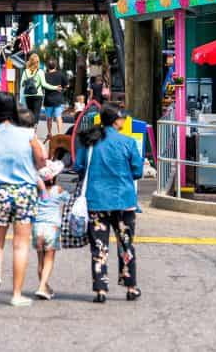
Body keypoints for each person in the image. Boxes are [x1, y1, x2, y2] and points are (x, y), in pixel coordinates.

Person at [0, 91, 48, 307]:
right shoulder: (28, 135)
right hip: (25, 191)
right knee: (20, 245)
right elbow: (42, 160)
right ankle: (16, 294)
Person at [72, 104, 144, 303]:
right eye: (122, 117)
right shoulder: (128, 143)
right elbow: (137, 171)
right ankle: (131, 286)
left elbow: (78, 167)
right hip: (124, 202)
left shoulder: (89, 142)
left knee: (99, 246)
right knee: (126, 244)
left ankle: (100, 289)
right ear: (116, 121)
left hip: (96, 201)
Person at [32, 160, 69, 300]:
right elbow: (68, 199)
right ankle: (42, 287)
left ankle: (45, 287)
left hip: (37, 228)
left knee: (40, 260)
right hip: (52, 228)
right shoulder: (58, 190)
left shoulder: (36, 191)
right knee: (49, 259)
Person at [19, 54, 60, 131]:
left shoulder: (25, 71)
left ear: (30, 61)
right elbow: (44, 84)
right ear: (38, 62)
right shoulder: (40, 71)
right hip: (37, 95)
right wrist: (55, 87)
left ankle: (29, 127)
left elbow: (22, 84)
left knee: (30, 112)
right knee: (36, 113)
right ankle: (34, 127)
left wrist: (21, 97)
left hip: (28, 95)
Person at [43, 59, 67, 139]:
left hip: (48, 100)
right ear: (55, 66)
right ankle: (60, 134)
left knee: (49, 118)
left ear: (47, 66)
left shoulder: (45, 75)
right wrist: (62, 90)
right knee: (58, 117)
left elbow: (43, 86)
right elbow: (66, 85)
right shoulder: (61, 74)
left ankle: (49, 133)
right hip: (58, 99)